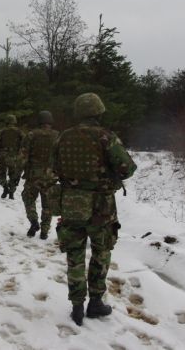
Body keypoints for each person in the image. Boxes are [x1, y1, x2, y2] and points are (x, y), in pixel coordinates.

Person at [52, 93, 137, 326]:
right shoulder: (106, 137)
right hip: (101, 206)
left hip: (72, 204)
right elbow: (127, 168)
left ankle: (77, 306)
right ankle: (96, 302)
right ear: (99, 111)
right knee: (101, 252)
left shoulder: (63, 137)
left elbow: (54, 167)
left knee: (74, 256)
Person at [21, 110, 59, 239]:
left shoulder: (31, 135)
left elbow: (23, 156)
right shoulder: (57, 136)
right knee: (47, 204)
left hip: (33, 174)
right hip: (50, 176)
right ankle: (44, 231)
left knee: (28, 198)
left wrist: (18, 172)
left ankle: (33, 221)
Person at [0, 114, 24, 199]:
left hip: (3, 155)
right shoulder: (19, 132)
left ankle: (5, 187)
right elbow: (25, 143)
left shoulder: (2, 131)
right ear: (14, 121)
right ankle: (12, 192)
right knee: (13, 175)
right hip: (15, 156)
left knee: (1, 173)